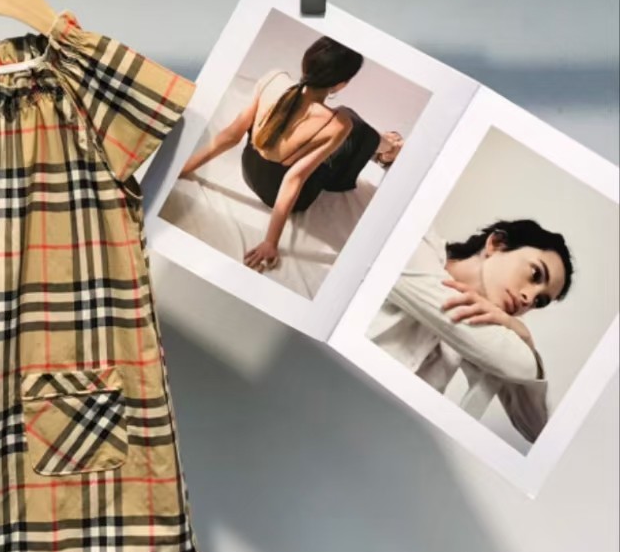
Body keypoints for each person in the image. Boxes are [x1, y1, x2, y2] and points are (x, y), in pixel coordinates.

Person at [178, 36, 402, 271]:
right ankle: (389, 149)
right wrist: (270, 242)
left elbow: (230, 136)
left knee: (347, 128)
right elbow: (293, 179)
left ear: (306, 61)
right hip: (288, 197)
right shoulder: (338, 122)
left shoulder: (273, 79)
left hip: (249, 171)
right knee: (356, 124)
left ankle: (386, 147)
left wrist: (184, 168)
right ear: (342, 84)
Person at [369, 219, 573, 441]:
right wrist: (522, 351)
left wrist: (525, 338)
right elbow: (522, 365)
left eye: (539, 301)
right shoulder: (419, 247)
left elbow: (537, 430)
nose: (528, 298)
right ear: (496, 243)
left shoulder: (491, 332)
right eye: (535, 274)